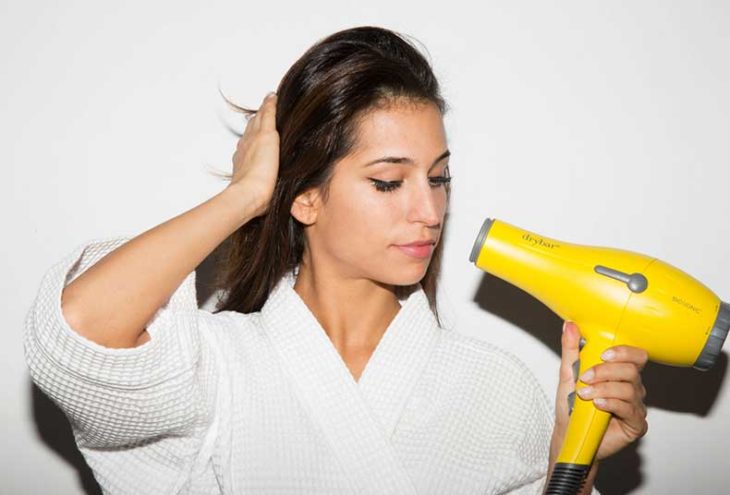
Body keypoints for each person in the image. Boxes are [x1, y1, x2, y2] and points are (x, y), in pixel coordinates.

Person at [24, 26, 648, 494]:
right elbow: (82, 330)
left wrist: (574, 461)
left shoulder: (498, 386)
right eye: (387, 182)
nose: (430, 211)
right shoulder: (215, 369)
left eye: (439, 178)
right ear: (304, 197)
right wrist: (243, 197)